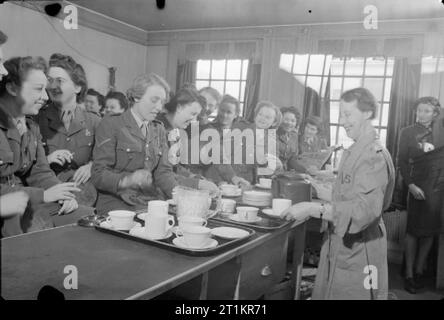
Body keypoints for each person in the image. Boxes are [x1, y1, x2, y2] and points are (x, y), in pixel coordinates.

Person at [282, 88, 395, 300]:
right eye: (341, 114)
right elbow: (348, 194)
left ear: (367, 113)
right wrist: (317, 189)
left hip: (360, 249)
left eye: (348, 114)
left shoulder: (372, 156)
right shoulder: (357, 150)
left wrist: (311, 208)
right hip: (342, 243)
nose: (342, 120)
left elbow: (362, 212)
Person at [0, 56, 93, 237]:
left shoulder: (30, 126)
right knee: (41, 236)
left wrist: (62, 194)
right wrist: (43, 195)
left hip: (25, 202)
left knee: (86, 218)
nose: (45, 97)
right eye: (38, 89)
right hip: (9, 209)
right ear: (12, 88)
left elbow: (40, 171)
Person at [91, 73, 178, 215]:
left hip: (147, 201)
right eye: (154, 100)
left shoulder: (158, 129)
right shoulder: (112, 124)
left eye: (162, 102)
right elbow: (98, 174)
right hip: (116, 202)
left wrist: (179, 195)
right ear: (136, 97)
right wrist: (127, 180)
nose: (159, 107)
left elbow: (164, 173)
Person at [35, 54, 100, 207]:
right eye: (49, 80)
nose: (52, 86)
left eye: (60, 81)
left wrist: (91, 166)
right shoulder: (36, 119)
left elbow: (107, 157)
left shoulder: (94, 121)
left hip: (85, 193)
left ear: (78, 87)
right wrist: (48, 159)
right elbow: (24, 166)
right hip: (48, 193)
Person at [398, 96, 444, 294]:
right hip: (417, 185)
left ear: (435, 114)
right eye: (419, 110)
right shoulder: (407, 132)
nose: (421, 114)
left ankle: (419, 271)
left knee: (430, 231)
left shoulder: (441, 132)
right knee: (413, 231)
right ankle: (408, 274)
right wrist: (411, 185)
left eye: (426, 111)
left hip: (438, 187)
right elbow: (402, 161)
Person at [156, 88, 219, 193]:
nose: (194, 120)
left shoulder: (175, 130)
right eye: (192, 114)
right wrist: (197, 184)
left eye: (197, 116)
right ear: (179, 107)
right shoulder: (157, 128)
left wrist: (192, 176)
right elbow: (161, 176)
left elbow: (173, 166)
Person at [277, 106, 302, 170]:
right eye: (286, 119)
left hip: (287, 173)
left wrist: (304, 170)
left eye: (293, 121)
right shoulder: (272, 134)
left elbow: (292, 159)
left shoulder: (294, 136)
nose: (289, 123)